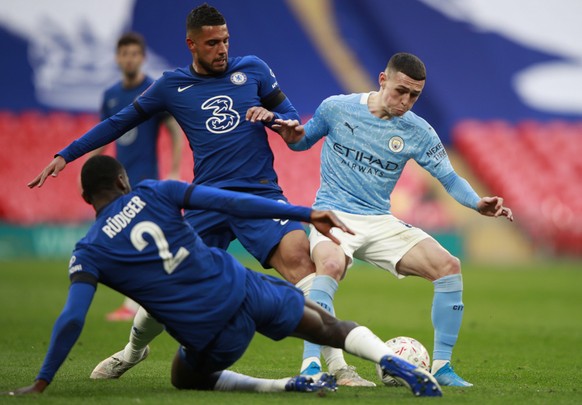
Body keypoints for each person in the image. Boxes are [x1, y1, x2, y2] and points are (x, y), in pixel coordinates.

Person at [27, 3, 371, 386]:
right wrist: (65, 155)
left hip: (258, 193)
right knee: (166, 288)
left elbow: (295, 129)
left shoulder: (253, 70)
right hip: (205, 199)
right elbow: (118, 122)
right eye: (212, 43)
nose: (222, 49)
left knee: (301, 264)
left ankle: (337, 367)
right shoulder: (172, 87)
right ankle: (132, 351)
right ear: (191, 44)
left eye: (225, 40)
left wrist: (274, 120)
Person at [6, 155, 442, 397]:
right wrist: (304, 212)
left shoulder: (90, 251)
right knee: (328, 326)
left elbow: (72, 319)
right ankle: (390, 360)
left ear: (86, 197)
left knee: (184, 378)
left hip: (210, 331)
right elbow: (235, 203)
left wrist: (43, 380)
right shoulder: (157, 191)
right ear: (123, 180)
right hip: (245, 287)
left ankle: (280, 386)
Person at [272, 52, 514, 387]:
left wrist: (476, 202)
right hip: (334, 214)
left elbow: (449, 178)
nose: (406, 101)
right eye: (401, 90)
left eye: (415, 95)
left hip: (379, 219)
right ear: (382, 80)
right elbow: (302, 142)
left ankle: (442, 366)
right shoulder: (337, 108)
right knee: (327, 266)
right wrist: (290, 135)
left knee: (449, 266)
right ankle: (311, 364)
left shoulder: (418, 131)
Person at [93, 32, 184, 322]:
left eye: (134, 54)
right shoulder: (110, 96)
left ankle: (135, 305)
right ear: (118, 58)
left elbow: (174, 130)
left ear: (142, 58)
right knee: (129, 241)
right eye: (124, 54)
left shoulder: (152, 90)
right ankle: (147, 301)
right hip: (117, 183)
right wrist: (89, 165)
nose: (129, 59)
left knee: (139, 241)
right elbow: (104, 134)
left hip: (147, 181)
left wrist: (174, 170)